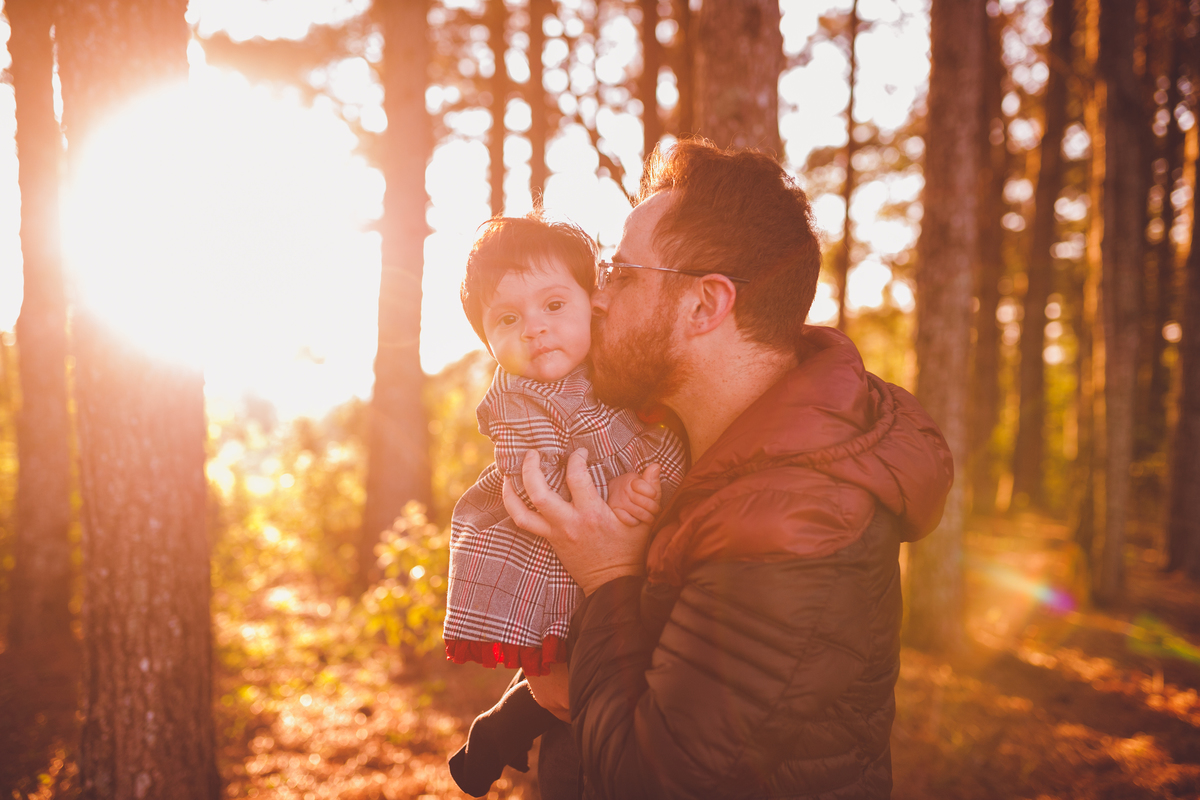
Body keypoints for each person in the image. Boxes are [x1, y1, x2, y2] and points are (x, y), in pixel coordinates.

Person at [498, 140, 954, 799]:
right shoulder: (695, 456)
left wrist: (605, 577)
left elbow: (652, 781)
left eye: (621, 275)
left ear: (707, 305)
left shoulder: (794, 523)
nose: (595, 300)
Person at [442, 214, 688, 796]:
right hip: (550, 561)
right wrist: (615, 492)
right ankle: (503, 747)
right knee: (570, 699)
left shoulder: (612, 368)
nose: (534, 330)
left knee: (593, 685)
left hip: (606, 565)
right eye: (508, 319)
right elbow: (535, 484)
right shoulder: (517, 397)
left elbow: (654, 437)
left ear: (594, 301)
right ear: (488, 338)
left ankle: (492, 738)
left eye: (553, 306)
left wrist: (647, 480)